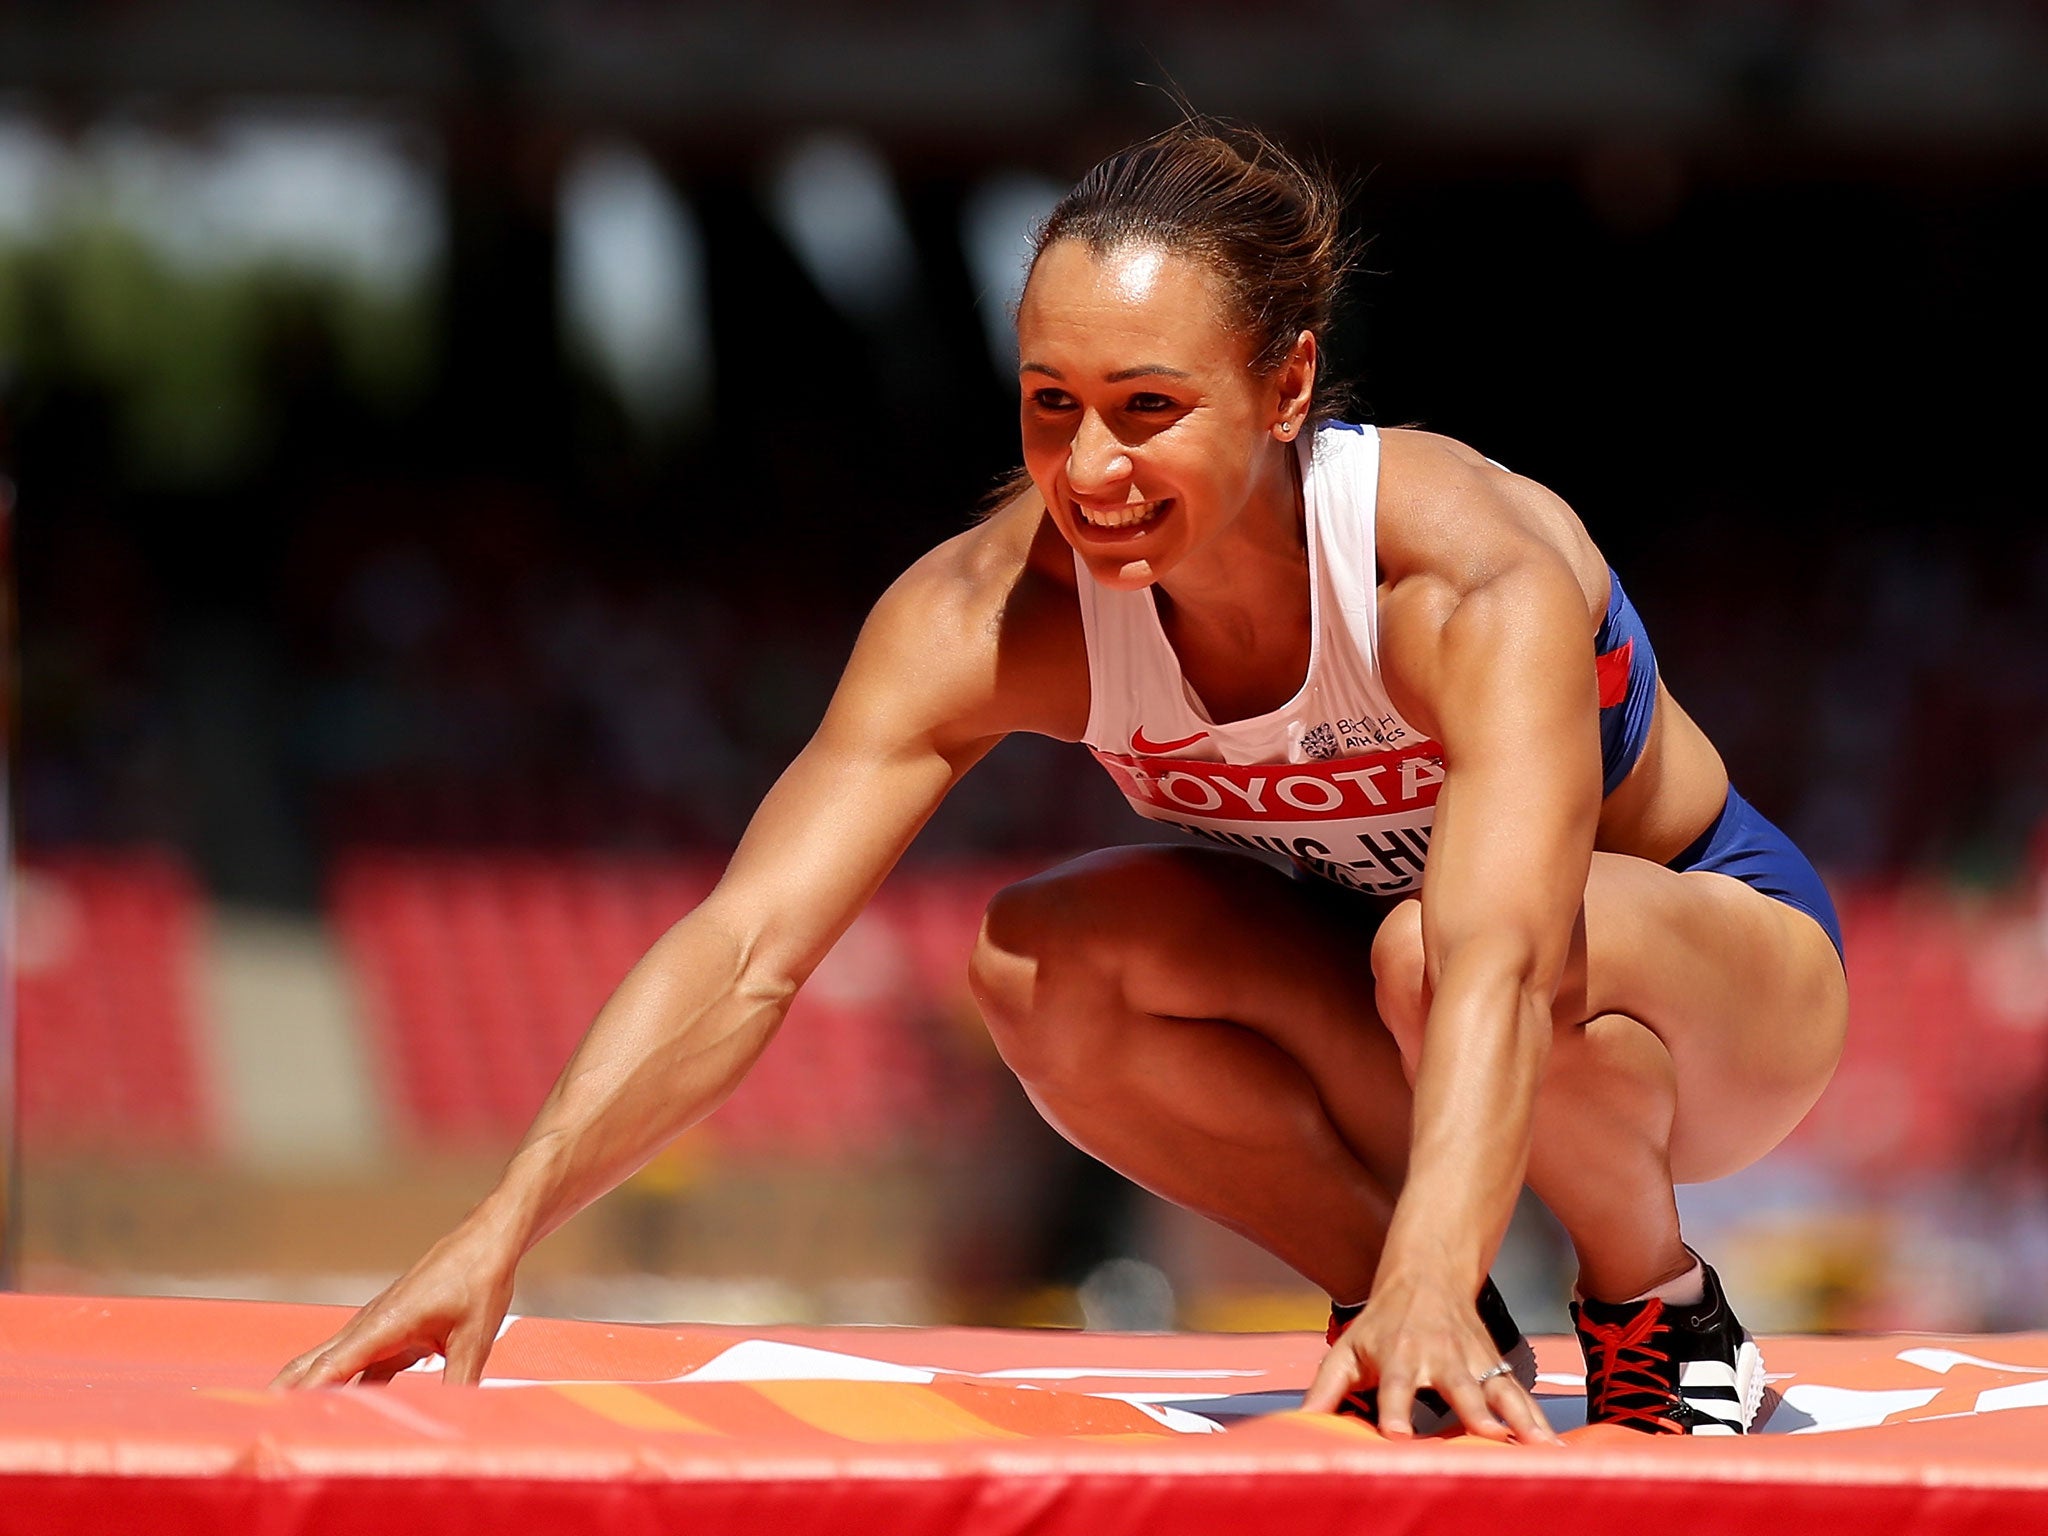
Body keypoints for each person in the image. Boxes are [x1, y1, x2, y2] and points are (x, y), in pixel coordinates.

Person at [274, 121, 1848, 1443]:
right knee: (1037, 965)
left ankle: (1659, 1307)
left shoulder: (1454, 571)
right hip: (1406, 1012)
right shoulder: (989, 612)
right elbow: (748, 948)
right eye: (1052, 406)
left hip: (1698, 992)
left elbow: (1502, 956)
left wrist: (1470, 1232)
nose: (1091, 470)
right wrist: (501, 1229)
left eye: (1148, 409)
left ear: (1288, 386)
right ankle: (1411, 1318)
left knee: (1429, 947)